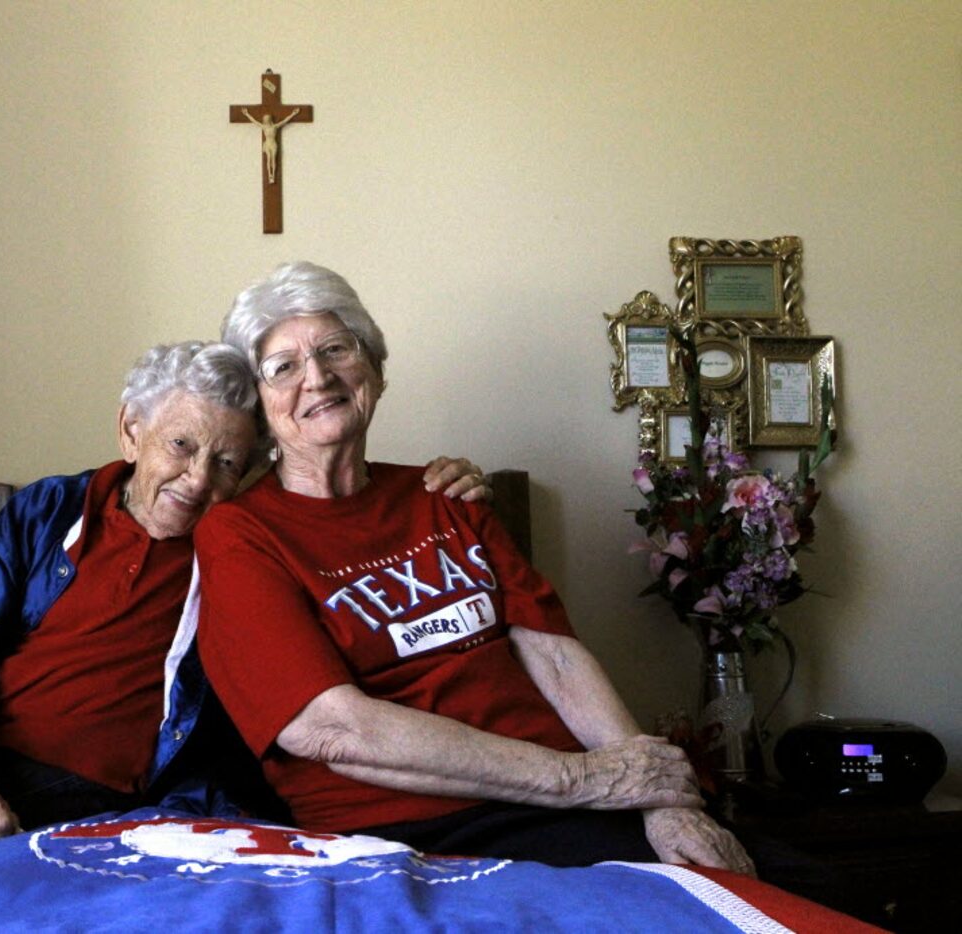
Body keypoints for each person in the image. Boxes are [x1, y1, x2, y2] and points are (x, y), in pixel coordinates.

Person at [0, 339, 490, 932]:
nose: (199, 481)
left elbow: (351, 523)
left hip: (140, 800)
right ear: (131, 431)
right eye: (181, 447)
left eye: (228, 462)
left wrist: (440, 492)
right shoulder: (45, 514)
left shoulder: (253, 543)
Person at [195, 262, 757, 874]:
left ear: (375, 370)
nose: (318, 377)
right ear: (260, 407)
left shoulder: (445, 494)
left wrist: (660, 802)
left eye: (336, 349)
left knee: (796, 892)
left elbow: (557, 657)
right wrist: (582, 778)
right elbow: (332, 729)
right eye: (284, 367)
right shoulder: (240, 534)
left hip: (571, 800)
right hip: (423, 822)